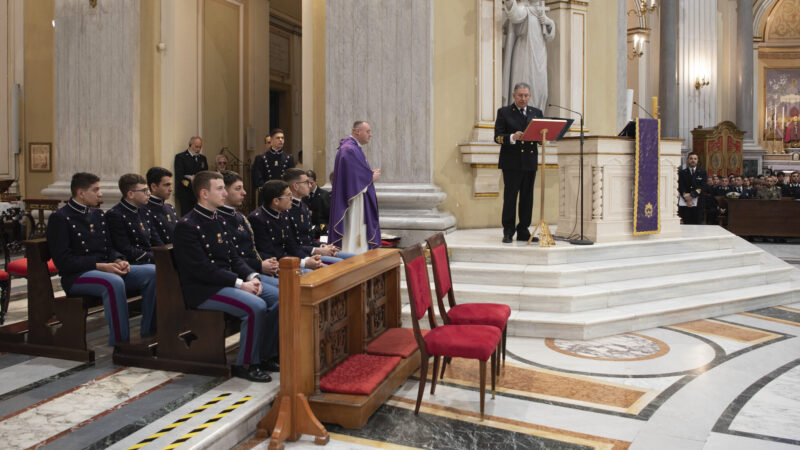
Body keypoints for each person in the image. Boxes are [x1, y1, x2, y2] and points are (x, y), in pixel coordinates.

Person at [172, 171, 279, 382]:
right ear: (204, 193)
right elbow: (202, 269)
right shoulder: (187, 226)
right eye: (219, 188)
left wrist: (251, 275)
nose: (224, 193)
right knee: (255, 306)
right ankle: (246, 364)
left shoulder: (219, 220)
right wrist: (240, 284)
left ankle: (267, 354)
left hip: (225, 282)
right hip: (203, 289)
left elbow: (234, 257)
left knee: (278, 298)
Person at [46, 173, 157, 346]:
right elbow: (63, 261)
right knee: (113, 282)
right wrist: (100, 266)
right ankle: (120, 343)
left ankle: (149, 333)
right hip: (77, 276)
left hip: (104, 268)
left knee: (152, 272)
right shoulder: (60, 218)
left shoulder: (98, 214)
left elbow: (109, 248)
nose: (100, 194)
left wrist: (119, 260)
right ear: (81, 193)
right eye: (96, 190)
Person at [494, 83, 543, 243]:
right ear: (514, 96)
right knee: (510, 197)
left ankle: (523, 230)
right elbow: (497, 137)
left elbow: (541, 137)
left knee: (527, 197)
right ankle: (508, 231)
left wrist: (544, 137)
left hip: (529, 161)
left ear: (530, 96)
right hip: (511, 162)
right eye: (520, 95)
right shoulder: (504, 112)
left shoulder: (536, 113)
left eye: (526, 95)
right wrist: (512, 137)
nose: (523, 99)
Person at [328, 121, 382, 253]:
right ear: (358, 131)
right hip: (354, 200)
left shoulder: (353, 148)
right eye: (368, 131)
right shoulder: (349, 149)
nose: (371, 135)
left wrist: (368, 175)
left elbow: (356, 172)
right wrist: (370, 178)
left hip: (357, 197)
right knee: (354, 233)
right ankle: (353, 257)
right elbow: (351, 179)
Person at [218, 170, 281, 280]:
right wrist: (260, 265)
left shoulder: (240, 217)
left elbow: (252, 250)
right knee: (281, 292)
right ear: (224, 192)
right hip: (240, 275)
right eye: (238, 189)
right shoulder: (218, 219)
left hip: (254, 269)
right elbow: (232, 258)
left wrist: (271, 262)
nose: (244, 192)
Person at [249, 180, 323, 271]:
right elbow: (270, 253)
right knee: (313, 274)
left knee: (323, 269)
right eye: (288, 196)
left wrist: (307, 259)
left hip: (290, 259)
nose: (292, 198)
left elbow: (292, 245)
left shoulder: (283, 214)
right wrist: (303, 263)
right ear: (276, 201)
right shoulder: (258, 219)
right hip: (276, 265)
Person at [282, 168, 347, 263]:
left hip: (312, 250)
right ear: (295, 186)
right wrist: (317, 250)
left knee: (355, 258)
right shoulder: (286, 209)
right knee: (342, 265)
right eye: (306, 182)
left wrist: (323, 246)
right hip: (303, 255)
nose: (309, 185)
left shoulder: (303, 206)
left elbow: (310, 238)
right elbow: (292, 245)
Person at [501, 0, 555, 111]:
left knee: (541, 89)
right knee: (524, 83)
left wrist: (549, 23)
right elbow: (515, 15)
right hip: (525, 54)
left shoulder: (541, 12)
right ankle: (519, 116)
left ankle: (537, 115)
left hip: (540, 55)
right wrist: (510, 2)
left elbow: (549, 37)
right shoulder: (525, 9)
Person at [107, 174, 164, 265]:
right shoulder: (115, 215)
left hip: (150, 258)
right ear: (130, 194)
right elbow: (125, 249)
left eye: (148, 189)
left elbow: (157, 242)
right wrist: (156, 258)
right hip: (133, 262)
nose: (149, 193)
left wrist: (167, 256)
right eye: (144, 191)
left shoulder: (145, 212)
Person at [251, 129, 295, 206]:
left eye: (282, 138)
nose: (281, 140)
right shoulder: (261, 158)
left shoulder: (288, 158)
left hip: (283, 195)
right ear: (271, 140)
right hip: (267, 195)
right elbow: (257, 178)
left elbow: (291, 178)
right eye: (278, 138)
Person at [174, 136, 209, 216]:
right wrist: (191, 184)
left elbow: (205, 174)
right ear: (190, 145)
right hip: (186, 192)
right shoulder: (181, 157)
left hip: (199, 193)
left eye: (200, 147)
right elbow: (180, 176)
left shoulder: (202, 158)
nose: (198, 149)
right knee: (188, 215)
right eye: (196, 147)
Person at [144, 167, 179, 244]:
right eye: (167, 185)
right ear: (154, 187)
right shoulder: (144, 210)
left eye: (170, 185)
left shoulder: (170, 208)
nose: (171, 189)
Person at [677, 152, 707, 225]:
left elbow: (702, 186)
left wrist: (692, 195)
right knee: (687, 224)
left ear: (697, 160)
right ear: (687, 160)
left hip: (698, 203)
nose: (693, 160)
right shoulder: (682, 172)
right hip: (685, 203)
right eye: (691, 158)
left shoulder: (702, 172)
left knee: (698, 225)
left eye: (695, 159)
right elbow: (681, 186)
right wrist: (686, 197)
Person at [304, 169, 331, 239]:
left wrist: (312, 213)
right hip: (307, 227)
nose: (309, 186)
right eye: (307, 183)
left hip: (321, 228)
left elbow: (328, 215)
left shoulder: (324, 195)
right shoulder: (303, 195)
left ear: (316, 181)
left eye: (311, 183)